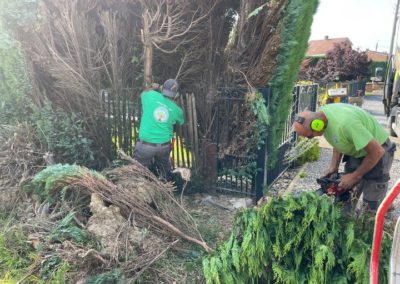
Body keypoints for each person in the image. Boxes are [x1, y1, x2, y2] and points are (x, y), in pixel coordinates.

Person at [292, 103, 396, 211]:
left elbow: (377, 151)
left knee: (371, 206)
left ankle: (382, 208)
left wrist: (355, 176)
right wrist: (334, 166)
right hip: (357, 149)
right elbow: (337, 138)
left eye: (309, 136)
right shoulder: (324, 117)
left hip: (378, 150)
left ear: (317, 124)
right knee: (345, 189)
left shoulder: (346, 123)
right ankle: (348, 217)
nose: (311, 138)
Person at [133, 79, 184, 180]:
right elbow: (180, 122)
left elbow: (143, 93)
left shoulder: (151, 95)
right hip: (163, 147)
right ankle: (166, 191)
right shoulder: (177, 110)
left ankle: (135, 192)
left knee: (135, 173)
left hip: (145, 146)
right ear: (176, 94)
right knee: (165, 174)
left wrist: (152, 86)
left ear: (161, 88)